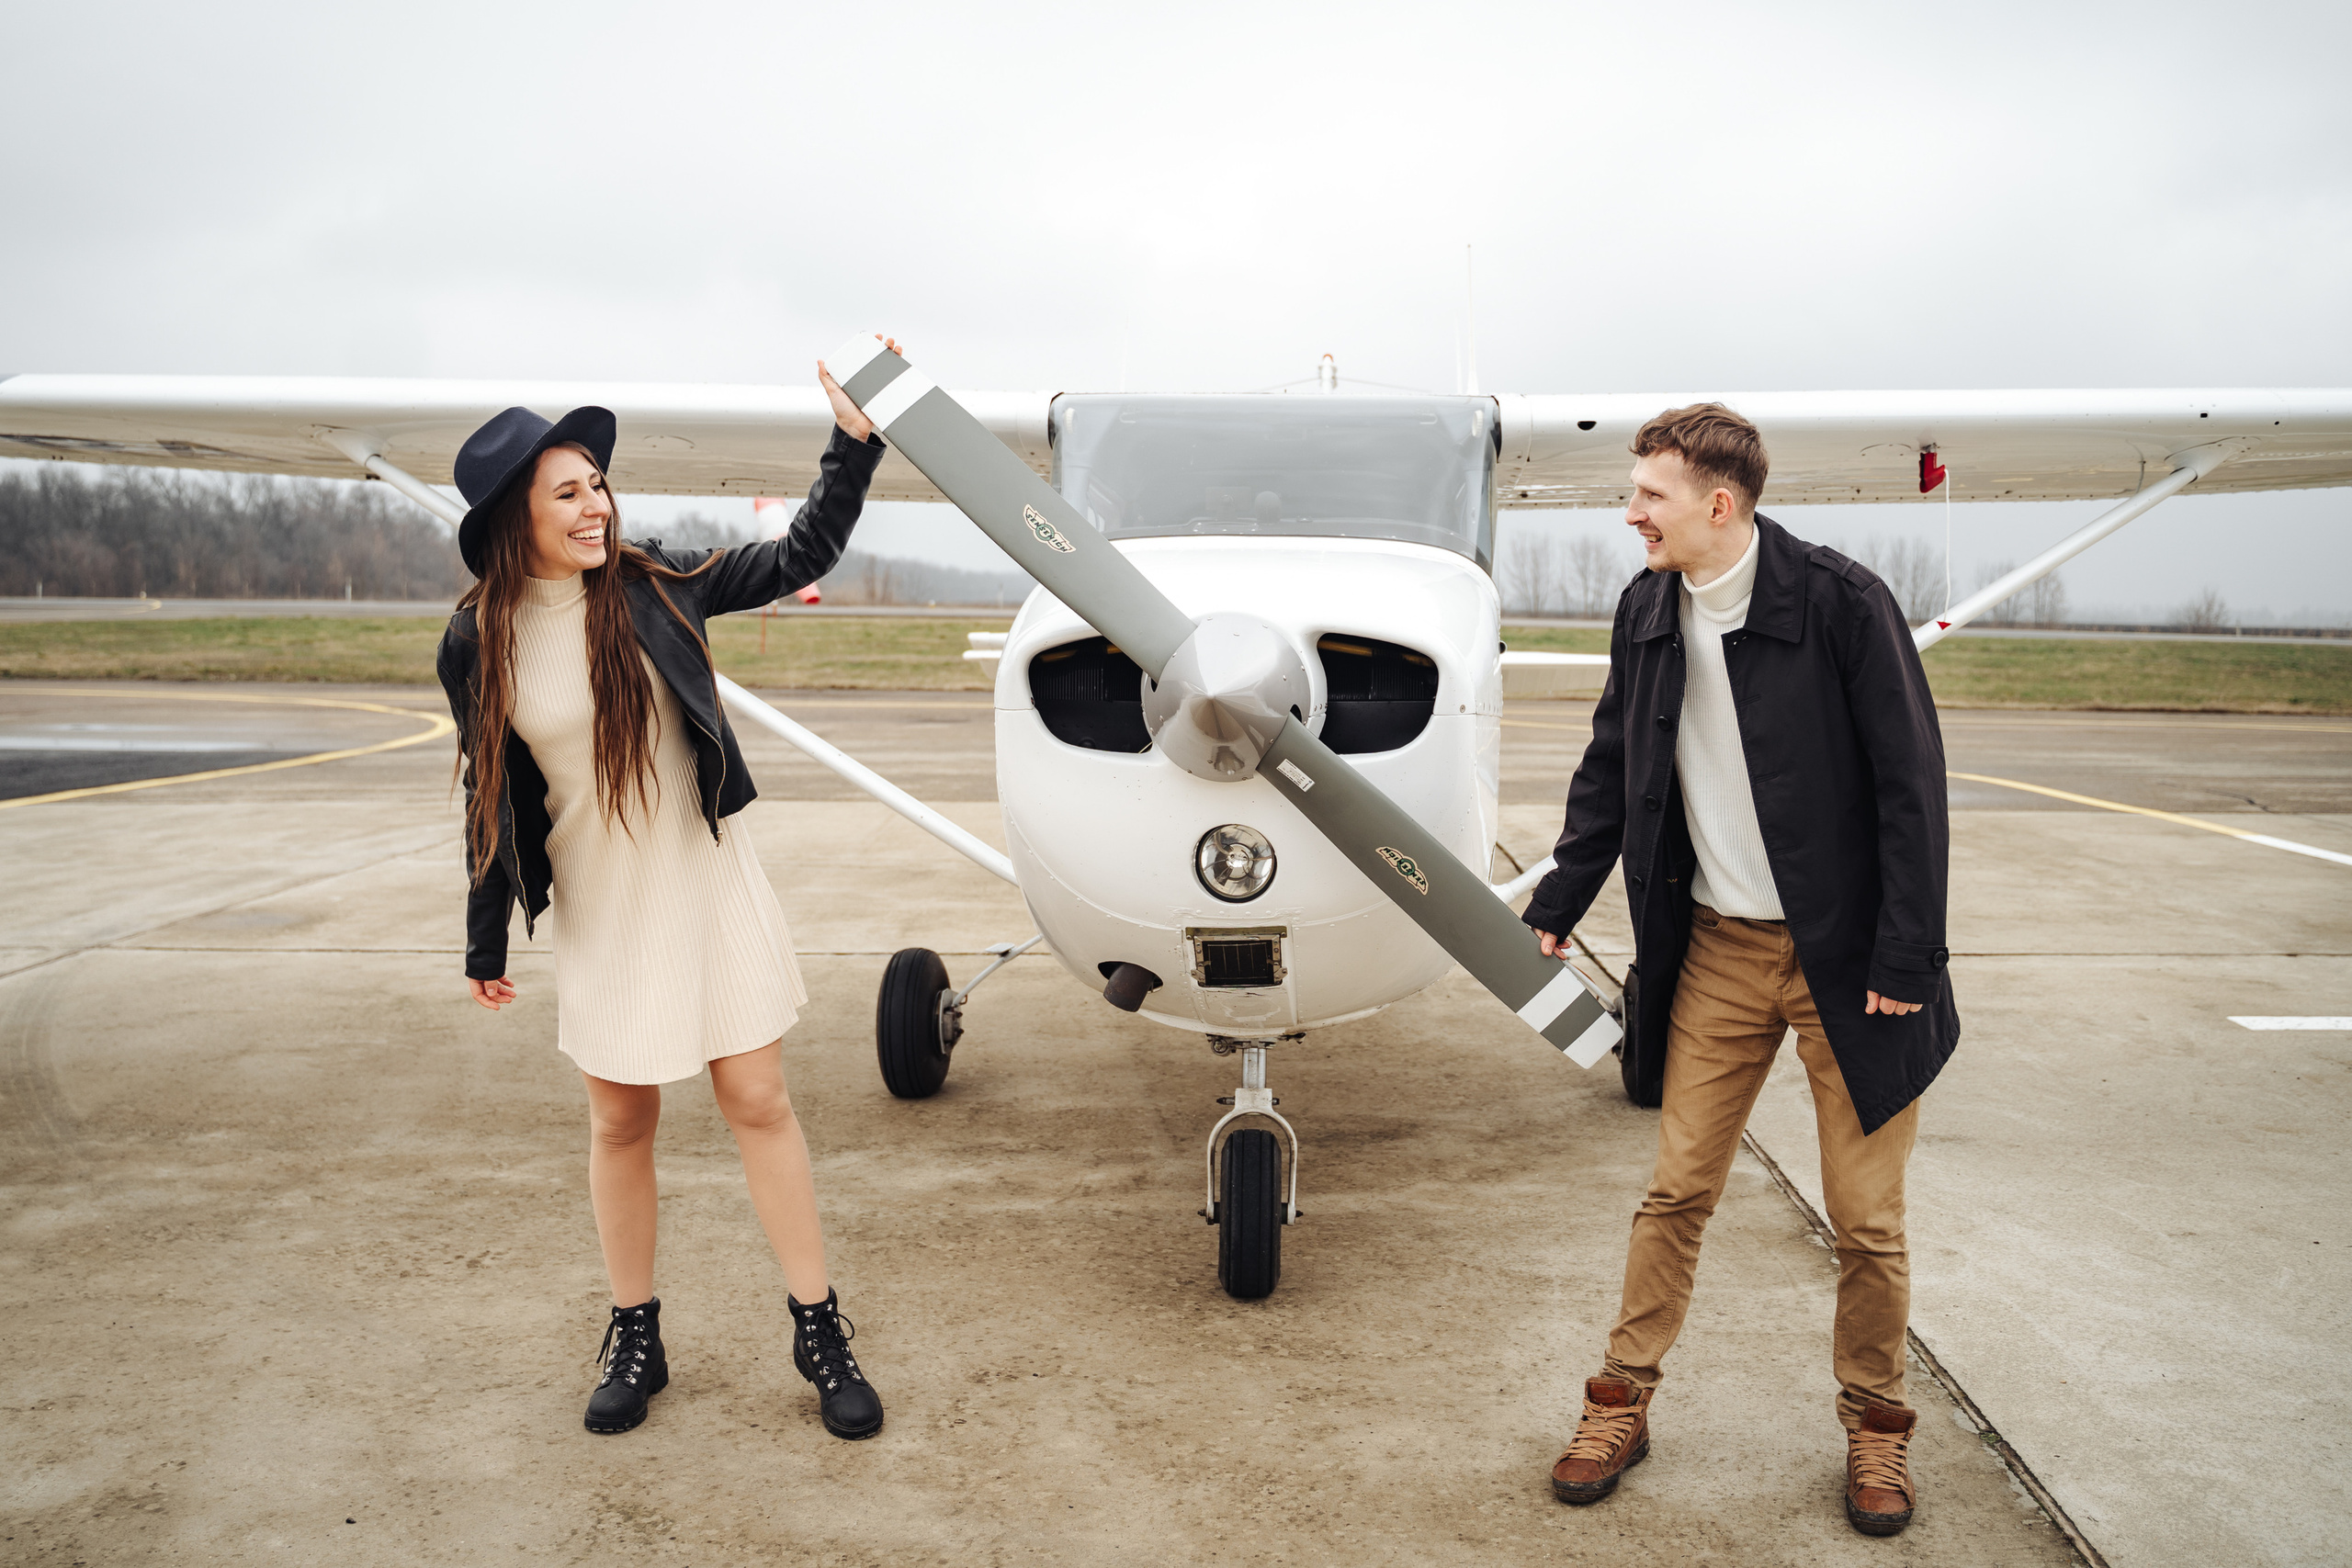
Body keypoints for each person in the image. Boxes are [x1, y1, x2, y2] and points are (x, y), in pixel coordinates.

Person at [435, 342, 901, 1440]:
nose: (596, 504)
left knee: (757, 1099)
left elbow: (801, 551)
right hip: (602, 903)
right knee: (621, 1118)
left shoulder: (653, 586)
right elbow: (488, 795)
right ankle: (635, 1333)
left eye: (598, 483)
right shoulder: (477, 640)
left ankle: (817, 1326)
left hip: (704, 878)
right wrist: (484, 943)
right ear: (519, 516)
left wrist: (851, 445)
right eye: (569, 491)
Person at [1521, 403, 1958, 1536]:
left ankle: (1875, 1426)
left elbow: (1912, 786)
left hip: (1851, 960)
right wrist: (1560, 896)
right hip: (1715, 947)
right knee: (1674, 1192)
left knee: (1864, 1219)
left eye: (1649, 497)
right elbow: (1613, 758)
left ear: (1719, 504)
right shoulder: (1645, 606)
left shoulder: (1840, 604)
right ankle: (1620, 1401)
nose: (1631, 515)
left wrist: (1906, 952)